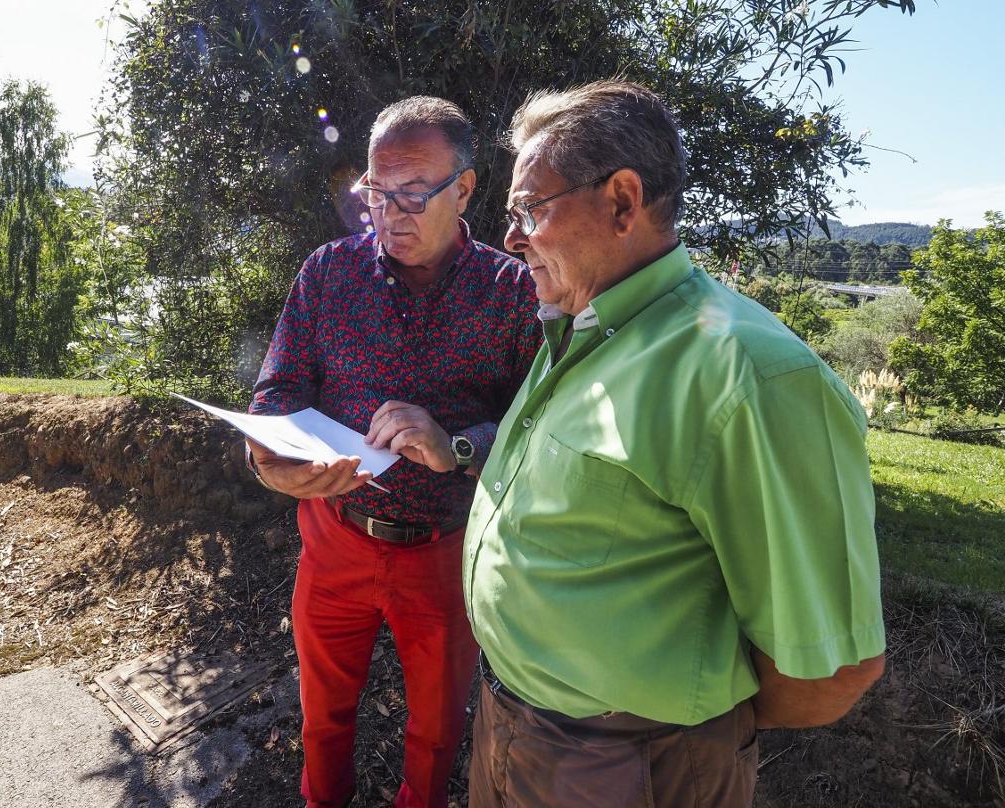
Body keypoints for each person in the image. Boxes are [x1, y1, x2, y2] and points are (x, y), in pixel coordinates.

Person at [462, 80, 886, 807]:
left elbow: (830, 673)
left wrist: (684, 744)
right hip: (515, 731)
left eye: (530, 208)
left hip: (633, 768)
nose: (510, 237)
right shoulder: (583, 322)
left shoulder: (745, 372)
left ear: (622, 202)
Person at [247, 96, 542, 808]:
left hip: (445, 552)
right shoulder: (327, 273)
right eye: (378, 193)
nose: (390, 213)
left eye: (414, 194)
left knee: (439, 732)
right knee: (323, 717)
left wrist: (458, 445)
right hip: (334, 540)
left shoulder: (512, 292)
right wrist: (273, 461)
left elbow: (541, 430)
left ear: (465, 189)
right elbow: (277, 389)